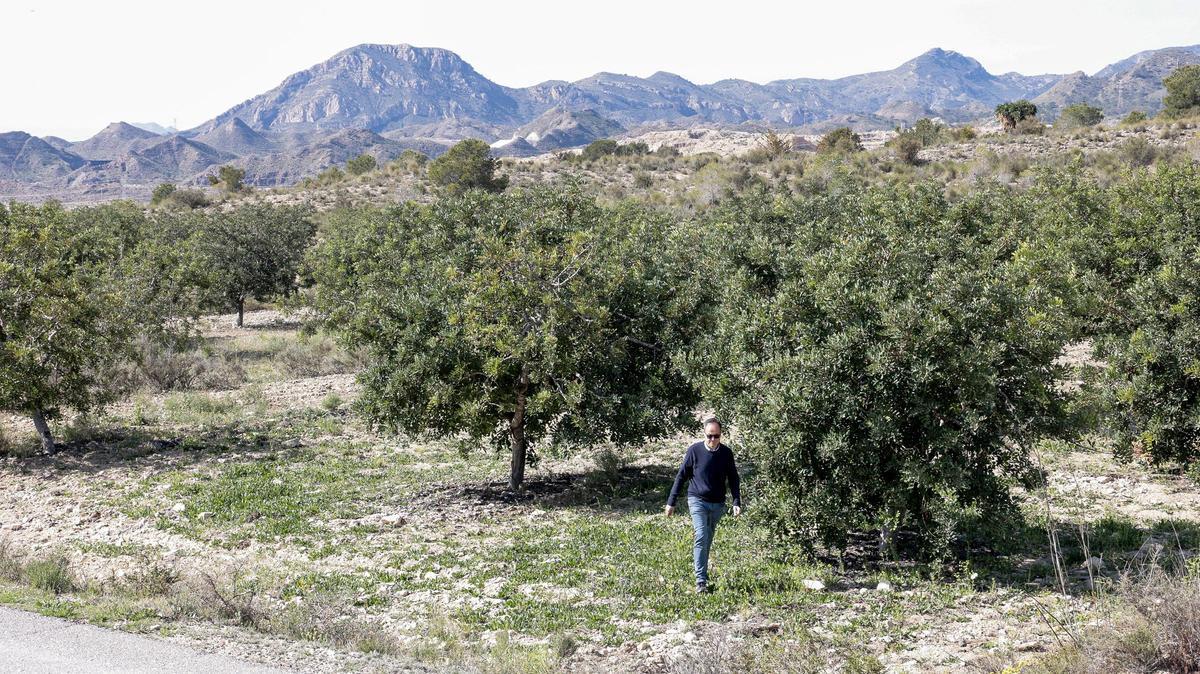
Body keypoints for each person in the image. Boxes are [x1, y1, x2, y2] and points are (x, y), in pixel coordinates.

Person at [664, 417, 741, 593]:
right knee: (701, 535)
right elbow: (681, 476)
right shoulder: (694, 451)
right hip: (697, 500)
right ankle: (701, 581)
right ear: (704, 434)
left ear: (721, 435)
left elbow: (733, 478)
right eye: (709, 436)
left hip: (718, 503)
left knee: (707, 539)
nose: (713, 439)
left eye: (716, 436)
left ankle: (703, 575)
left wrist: (736, 501)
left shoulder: (726, 453)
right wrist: (671, 502)